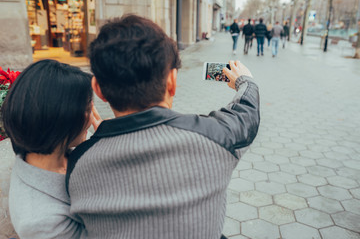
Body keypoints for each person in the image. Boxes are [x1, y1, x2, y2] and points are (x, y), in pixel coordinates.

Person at [66, 15, 260, 239]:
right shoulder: (216, 137)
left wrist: (101, 141)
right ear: (172, 82)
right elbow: (248, 112)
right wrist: (245, 80)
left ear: (98, 89)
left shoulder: (78, 164)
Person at [1, 59, 97, 239]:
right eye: (86, 108)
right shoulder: (41, 221)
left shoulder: (52, 153)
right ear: (59, 120)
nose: (91, 117)